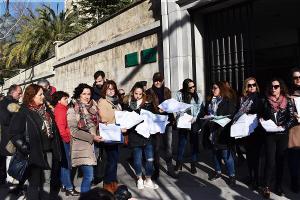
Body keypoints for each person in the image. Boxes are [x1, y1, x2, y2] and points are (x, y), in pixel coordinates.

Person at [9, 84, 62, 199]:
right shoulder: (23, 111)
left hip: (48, 151)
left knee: (47, 180)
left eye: (43, 94)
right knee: (34, 182)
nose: (43, 96)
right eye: (40, 94)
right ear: (32, 96)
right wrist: (25, 148)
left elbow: (53, 129)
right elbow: (14, 133)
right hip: (33, 153)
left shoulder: (46, 110)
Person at [261, 78, 294, 198]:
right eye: (272, 87)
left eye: (276, 86)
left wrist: (284, 126)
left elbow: (291, 117)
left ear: (281, 88)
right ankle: (266, 186)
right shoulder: (265, 100)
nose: (273, 89)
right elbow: (262, 115)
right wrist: (262, 120)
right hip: (270, 135)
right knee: (270, 161)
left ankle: (278, 186)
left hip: (283, 135)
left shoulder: (288, 101)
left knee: (280, 161)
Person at [67, 83, 103, 193]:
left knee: (90, 176)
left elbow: (97, 124)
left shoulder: (94, 107)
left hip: (94, 146)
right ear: (79, 95)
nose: (87, 96)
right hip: (82, 146)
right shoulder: (73, 109)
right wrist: (92, 137)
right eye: (84, 94)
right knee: (89, 176)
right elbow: (74, 131)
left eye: (89, 94)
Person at [123, 82, 159, 190]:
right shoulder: (129, 105)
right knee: (137, 160)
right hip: (135, 136)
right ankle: (139, 178)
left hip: (147, 136)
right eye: (136, 93)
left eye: (140, 94)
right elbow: (125, 120)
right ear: (132, 93)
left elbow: (153, 117)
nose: (137, 96)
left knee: (150, 159)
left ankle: (148, 179)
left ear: (143, 93)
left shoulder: (147, 104)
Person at [202, 81, 237, 185]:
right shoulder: (210, 101)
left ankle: (232, 175)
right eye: (212, 88)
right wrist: (206, 116)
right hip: (212, 131)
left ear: (221, 89)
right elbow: (205, 112)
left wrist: (219, 119)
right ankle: (218, 172)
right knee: (215, 153)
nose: (213, 90)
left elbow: (231, 115)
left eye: (215, 88)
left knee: (226, 155)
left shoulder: (227, 101)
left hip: (223, 132)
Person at [232, 77, 263, 190]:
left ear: (256, 85)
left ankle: (256, 180)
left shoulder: (259, 98)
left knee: (256, 157)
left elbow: (259, 110)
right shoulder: (243, 99)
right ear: (246, 87)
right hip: (246, 131)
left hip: (256, 131)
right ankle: (251, 177)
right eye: (249, 85)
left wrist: (250, 112)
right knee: (249, 156)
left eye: (254, 85)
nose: (252, 87)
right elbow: (238, 111)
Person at [145, 72, 177, 179]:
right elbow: (147, 107)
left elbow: (170, 105)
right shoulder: (149, 92)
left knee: (168, 147)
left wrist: (172, 117)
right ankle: (156, 170)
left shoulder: (167, 90)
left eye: (159, 80)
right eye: (155, 80)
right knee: (157, 147)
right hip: (156, 122)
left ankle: (170, 169)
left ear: (163, 80)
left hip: (167, 122)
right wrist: (157, 110)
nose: (157, 82)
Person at [52, 91, 80, 196]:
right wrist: (67, 139)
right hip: (64, 140)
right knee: (66, 165)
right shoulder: (60, 110)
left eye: (67, 98)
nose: (67, 100)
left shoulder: (63, 108)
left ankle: (65, 185)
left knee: (65, 164)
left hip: (65, 139)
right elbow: (61, 127)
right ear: (59, 100)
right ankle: (69, 187)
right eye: (65, 98)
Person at [174, 78, 204, 174]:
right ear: (186, 88)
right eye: (190, 87)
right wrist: (179, 116)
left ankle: (193, 164)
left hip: (194, 121)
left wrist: (195, 118)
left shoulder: (198, 95)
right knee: (182, 142)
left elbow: (200, 108)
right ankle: (179, 163)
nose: (193, 88)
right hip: (184, 121)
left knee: (194, 143)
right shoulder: (180, 95)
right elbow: (176, 107)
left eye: (193, 86)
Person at [98, 80, 123, 193]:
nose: (111, 91)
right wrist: (117, 122)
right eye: (109, 89)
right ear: (105, 90)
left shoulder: (116, 101)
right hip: (109, 133)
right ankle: (108, 183)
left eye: (113, 88)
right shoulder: (103, 101)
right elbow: (103, 118)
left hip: (116, 133)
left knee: (114, 159)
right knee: (111, 160)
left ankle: (113, 181)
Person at [0, 84, 23, 194]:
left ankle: (12, 184)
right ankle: (11, 186)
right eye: (19, 93)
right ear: (12, 92)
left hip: (10, 137)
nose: (20, 95)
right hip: (9, 138)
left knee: (11, 160)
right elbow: (5, 120)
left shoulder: (9, 103)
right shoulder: (6, 103)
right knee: (10, 161)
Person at [288, 67, 300, 193]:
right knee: (294, 156)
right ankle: (294, 181)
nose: (298, 79)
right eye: (295, 77)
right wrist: (292, 114)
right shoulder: (289, 93)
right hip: (295, 128)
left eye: (299, 77)